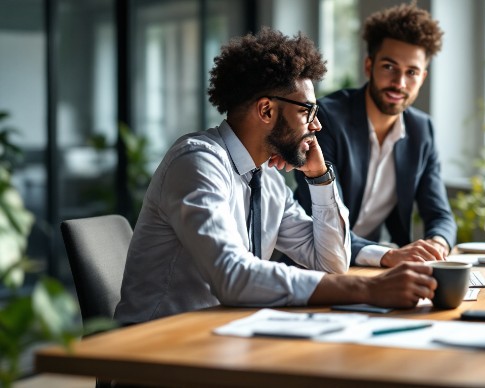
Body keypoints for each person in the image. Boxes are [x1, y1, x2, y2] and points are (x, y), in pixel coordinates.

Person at [114, 28, 436, 326]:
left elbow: (331, 262)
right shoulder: (197, 162)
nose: (316, 126)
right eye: (306, 111)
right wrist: (367, 290)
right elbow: (233, 277)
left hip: (223, 338)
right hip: (157, 352)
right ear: (266, 110)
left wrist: (320, 178)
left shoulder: (266, 178)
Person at [294, 4, 456, 268]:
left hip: (370, 266)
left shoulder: (421, 130)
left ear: (422, 77)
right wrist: (389, 255)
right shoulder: (327, 119)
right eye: (389, 67)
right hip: (311, 263)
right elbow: (318, 217)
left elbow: (440, 214)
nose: (400, 83)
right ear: (369, 66)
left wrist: (437, 244)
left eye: (411, 72)